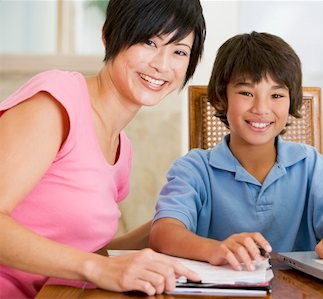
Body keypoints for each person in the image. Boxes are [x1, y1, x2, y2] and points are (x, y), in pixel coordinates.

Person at [0, 0, 206, 297]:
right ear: (110, 36)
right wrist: (98, 269)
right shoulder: (55, 102)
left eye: (179, 51)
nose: (162, 65)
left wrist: (171, 222)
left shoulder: (122, 148)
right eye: (149, 41)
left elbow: (84, 254)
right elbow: (92, 265)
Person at [149, 31, 323, 272]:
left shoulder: (310, 164)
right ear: (220, 98)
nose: (261, 108)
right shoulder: (194, 169)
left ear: (292, 103)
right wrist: (215, 249)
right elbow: (163, 233)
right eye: (247, 93)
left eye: (277, 95)